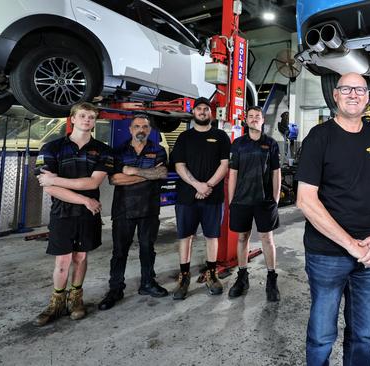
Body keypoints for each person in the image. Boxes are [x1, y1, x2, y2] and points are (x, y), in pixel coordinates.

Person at [295, 72, 370, 366]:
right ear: (336, 95)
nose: (354, 94)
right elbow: (305, 200)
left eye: (360, 89)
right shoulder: (319, 137)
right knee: (322, 336)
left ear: (368, 97)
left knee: (363, 335)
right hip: (327, 255)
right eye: (347, 89)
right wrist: (351, 245)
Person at [34, 102, 113, 326]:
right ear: (73, 119)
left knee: (81, 257)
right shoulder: (52, 148)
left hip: (88, 214)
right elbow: (47, 188)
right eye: (83, 116)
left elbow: (92, 181)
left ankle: (76, 299)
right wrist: (85, 199)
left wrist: (55, 179)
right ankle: (56, 302)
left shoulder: (103, 150)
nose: (87, 120)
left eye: (91, 117)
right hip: (64, 211)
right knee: (63, 259)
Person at [97, 115, 169, 311]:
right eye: (137, 126)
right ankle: (115, 288)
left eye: (145, 126)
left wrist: (131, 171)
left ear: (150, 129)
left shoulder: (158, 150)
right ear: (130, 129)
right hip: (123, 209)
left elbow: (161, 174)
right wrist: (146, 174)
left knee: (148, 248)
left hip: (149, 208)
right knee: (120, 251)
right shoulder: (118, 151)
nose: (141, 130)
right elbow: (114, 180)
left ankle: (147, 283)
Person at [170, 97, 230, 298]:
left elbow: (224, 164)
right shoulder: (184, 137)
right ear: (193, 113)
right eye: (199, 109)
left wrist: (209, 186)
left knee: (212, 236)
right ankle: (184, 276)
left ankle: (212, 274)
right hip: (187, 196)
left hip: (213, 197)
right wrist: (198, 185)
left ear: (211, 113)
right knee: (185, 236)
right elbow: (179, 165)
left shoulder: (220, 136)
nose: (203, 112)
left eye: (206, 109)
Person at [227, 106, 282, 302]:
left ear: (262, 120)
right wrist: (232, 200)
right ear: (246, 120)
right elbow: (232, 173)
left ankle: (271, 279)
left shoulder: (271, 144)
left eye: (257, 116)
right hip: (241, 200)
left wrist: (275, 199)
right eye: (250, 116)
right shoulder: (238, 144)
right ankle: (242, 277)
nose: (253, 119)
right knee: (242, 238)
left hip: (264, 201)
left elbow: (276, 172)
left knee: (267, 239)